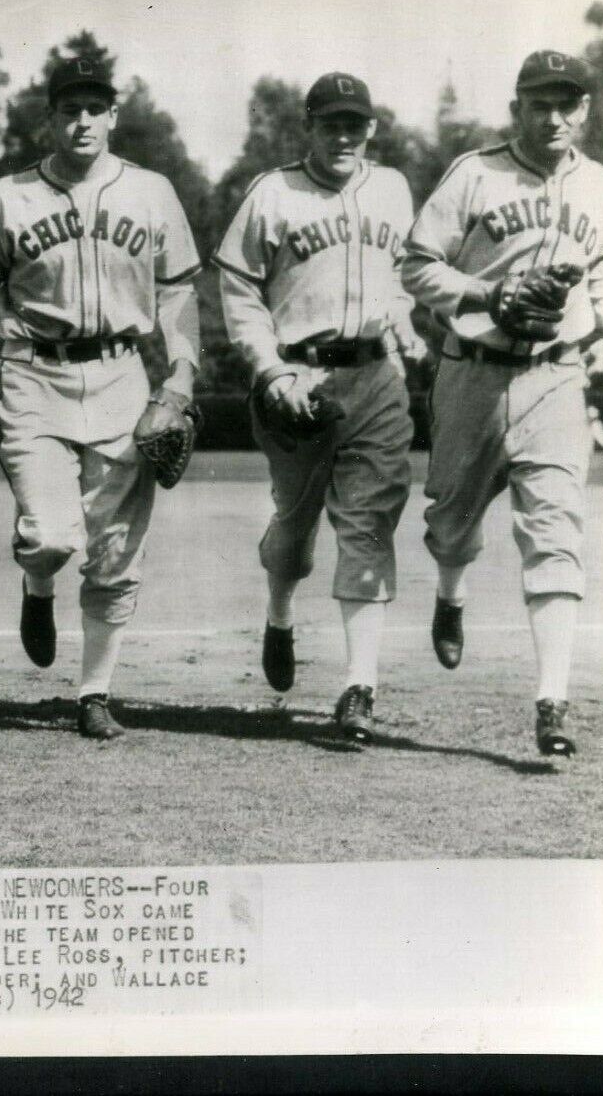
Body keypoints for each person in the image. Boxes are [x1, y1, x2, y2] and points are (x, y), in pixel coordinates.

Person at [0, 57, 202, 740]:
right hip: (35, 372)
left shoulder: (152, 192)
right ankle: (38, 587)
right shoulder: (11, 195)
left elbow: (180, 289)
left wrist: (180, 375)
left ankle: (94, 690)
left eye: (95, 108)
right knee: (52, 535)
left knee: (118, 548)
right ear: (50, 119)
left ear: (114, 116)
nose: (83, 120)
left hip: (124, 373)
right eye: (70, 109)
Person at [401, 49, 603, 757]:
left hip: (556, 375)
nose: (554, 116)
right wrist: (483, 294)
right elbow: (415, 265)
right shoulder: (475, 173)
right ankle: (451, 593)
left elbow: (600, 265)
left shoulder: (599, 183)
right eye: (540, 103)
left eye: (567, 103)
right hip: (473, 369)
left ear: (585, 110)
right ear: (516, 109)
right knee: (450, 524)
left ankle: (551, 701)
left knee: (556, 534)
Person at [214, 72, 424, 744]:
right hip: (297, 380)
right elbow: (239, 287)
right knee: (296, 534)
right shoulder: (273, 192)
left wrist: (404, 321)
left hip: (374, 375)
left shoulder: (391, 188)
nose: (344, 135)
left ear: (372, 129)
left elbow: (399, 280)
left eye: (355, 124)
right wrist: (270, 370)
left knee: (368, 524)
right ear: (307, 126)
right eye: (331, 123)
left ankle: (358, 685)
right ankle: (279, 613)